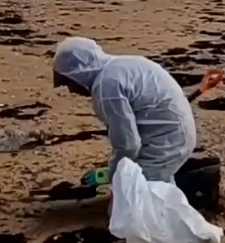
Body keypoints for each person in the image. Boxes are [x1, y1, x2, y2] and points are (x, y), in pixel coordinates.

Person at [52, 37, 196, 185]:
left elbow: (128, 145)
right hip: (176, 133)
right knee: (156, 189)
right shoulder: (122, 65)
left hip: (165, 144)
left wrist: (111, 173)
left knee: (137, 193)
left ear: (79, 74)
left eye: (68, 82)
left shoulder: (106, 88)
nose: (71, 91)